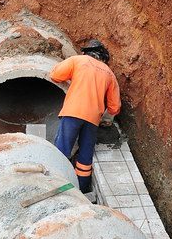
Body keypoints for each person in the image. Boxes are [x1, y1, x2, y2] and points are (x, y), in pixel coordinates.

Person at [49, 40, 121, 199]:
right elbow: (115, 106)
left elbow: (55, 75)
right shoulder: (109, 73)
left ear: (86, 52)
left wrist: (73, 79)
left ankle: (58, 183)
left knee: (62, 148)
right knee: (85, 155)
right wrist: (106, 117)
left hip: (73, 112)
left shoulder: (77, 60)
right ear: (102, 57)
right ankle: (81, 190)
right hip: (93, 119)